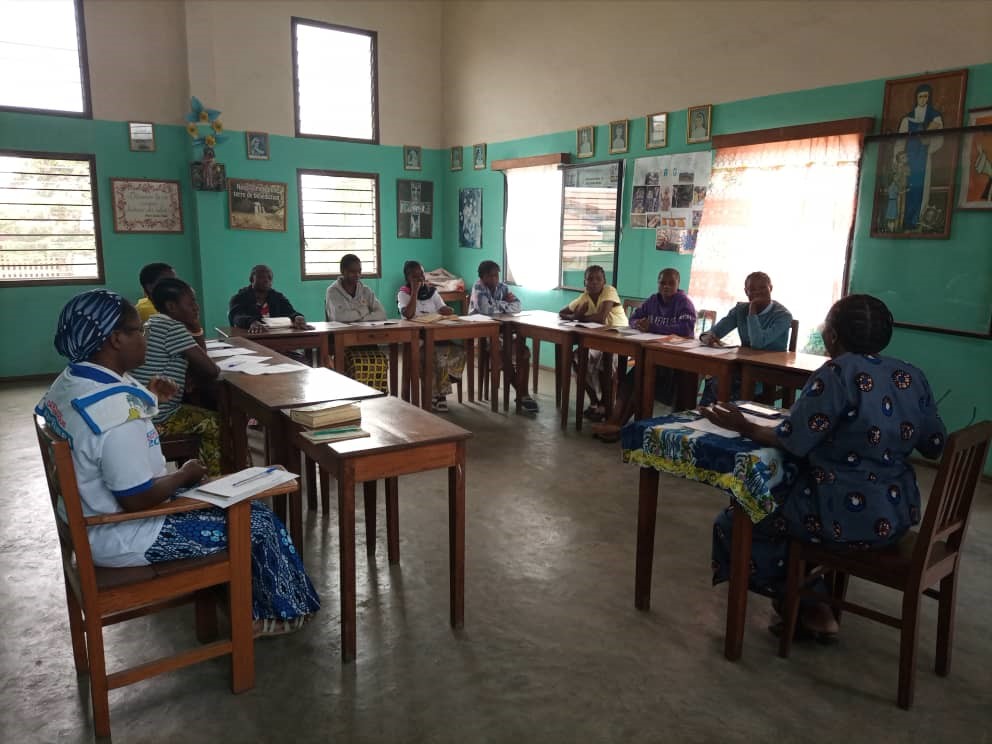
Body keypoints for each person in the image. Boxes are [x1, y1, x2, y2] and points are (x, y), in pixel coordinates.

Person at [36, 290, 319, 636]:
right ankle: (278, 614)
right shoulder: (115, 416)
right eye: (139, 330)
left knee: (237, 505)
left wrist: (149, 395)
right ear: (115, 339)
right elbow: (137, 498)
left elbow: (103, 434)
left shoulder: (73, 381)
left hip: (86, 519)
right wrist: (186, 474)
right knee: (258, 521)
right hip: (128, 532)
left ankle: (244, 597)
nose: (145, 337)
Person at [701, 294, 946, 640]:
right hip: (895, 515)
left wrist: (746, 426)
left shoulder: (836, 373)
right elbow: (934, 444)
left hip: (838, 514)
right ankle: (811, 598)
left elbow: (795, 441)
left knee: (740, 518)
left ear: (832, 336)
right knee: (782, 506)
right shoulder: (911, 375)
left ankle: (808, 606)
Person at [591, 268, 697, 441]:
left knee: (641, 380)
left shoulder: (684, 302)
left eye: (671, 283)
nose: (666, 286)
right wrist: (638, 323)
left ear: (678, 284)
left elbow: (685, 329)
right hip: (652, 357)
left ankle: (619, 426)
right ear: (658, 283)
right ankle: (613, 420)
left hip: (674, 364)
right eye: (662, 282)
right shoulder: (653, 300)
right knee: (629, 380)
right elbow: (633, 318)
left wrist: (653, 327)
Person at [131, 278, 222, 476]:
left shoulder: (153, 323)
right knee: (214, 422)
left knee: (199, 403)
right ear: (172, 307)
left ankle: (194, 469)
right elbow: (211, 369)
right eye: (191, 303)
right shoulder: (173, 328)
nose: (196, 307)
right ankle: (213, 478)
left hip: (141, 410)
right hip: (160, 416)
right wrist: (195, 326)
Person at [698, 271, 793, 405]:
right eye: (752, 289)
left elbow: (757, 343)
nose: (758, 292)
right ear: (746, 292)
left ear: (771, 288)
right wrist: (707, 337)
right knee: (716, 377)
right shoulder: (740, 309)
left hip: (768, 373)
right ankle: (707, 414)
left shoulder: (783, 315)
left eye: (763, 288)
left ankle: (728, 415)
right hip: (743, 367)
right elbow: (715, 331)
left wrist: (752, 311)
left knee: (724, 383)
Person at [468, 260, 539, 414]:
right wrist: (504, 304)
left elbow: (518, 306)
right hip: (483, 334)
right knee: (503, 355)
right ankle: (522, 394)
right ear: (482, 277)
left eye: (496, 275)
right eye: (490, 276)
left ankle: (522, 393)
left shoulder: (503, 287)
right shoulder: (478, 287)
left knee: (524, 352)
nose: (494, 279)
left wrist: (497, 304)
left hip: (503, 333)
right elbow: (485, 310)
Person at [559, 265, 627, 422]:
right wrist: (574, 316)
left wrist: (577, 317)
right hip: (596, 340)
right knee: (575, 359)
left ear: (604, 281)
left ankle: (605, 404)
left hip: (619, 340)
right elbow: (562, 312)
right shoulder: (584, 296)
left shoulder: (609, 291)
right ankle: (595, 401)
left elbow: (601, 318)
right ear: (584, 282)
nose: (594, 282)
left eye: (598, 279)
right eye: (590, 279)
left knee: (605, 360)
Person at [397, 260, 466, 412]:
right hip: (419, 340)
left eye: (421, 274)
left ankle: (437, 391)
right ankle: (439, 396)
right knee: (439, 357)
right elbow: (408, 314)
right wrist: (414, 292)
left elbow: (442, 307)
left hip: (436, 336)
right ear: (408, 278)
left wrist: (447, 310)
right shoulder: (403, 293)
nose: (420, 278)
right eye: (415, 276)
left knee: (459, 352)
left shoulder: (432, 292)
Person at [325, 254, 389, 393]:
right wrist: (363, 311)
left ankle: (376, 396)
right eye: (352, 271)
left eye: (359, 271)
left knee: (380, 361)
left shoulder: (365, 290)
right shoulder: (332, 291)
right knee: (357, 363)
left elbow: (382, 314)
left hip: (366, 340)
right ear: (343, 271)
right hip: (342, 342)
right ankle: (354, 394)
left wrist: (360, 318)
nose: (357, 275)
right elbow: (339, 317)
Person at [894, 83, 944, 231]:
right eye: (920, 96)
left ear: (929, 98)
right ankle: (905, 221)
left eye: (926, 96)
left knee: (920, 189)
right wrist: (898, 159)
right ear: (916, 98)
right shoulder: (907, 119)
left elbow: (939, 138)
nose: (923, 99)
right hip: (908, 159)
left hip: (923, 158)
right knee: (907, 189)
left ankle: (917, 220)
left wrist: (928, 143)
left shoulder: (935, 117)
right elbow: (900, 141)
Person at [229, 264, 310, 334]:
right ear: (251, 279)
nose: (266, 280)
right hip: (250, 337)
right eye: (261, 277)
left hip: (276, 337)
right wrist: (251, 322)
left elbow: (290, 312)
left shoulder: (277, 297)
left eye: (269, 278)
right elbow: (237, 317)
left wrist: (297, 317)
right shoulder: (239, 298)